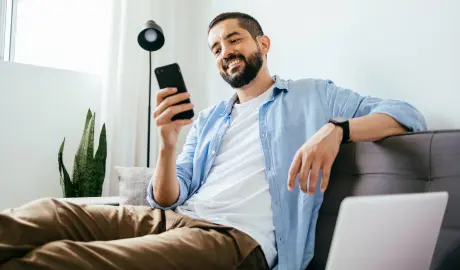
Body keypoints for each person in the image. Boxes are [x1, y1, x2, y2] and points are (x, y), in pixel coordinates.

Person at [0, 12, 426, 270]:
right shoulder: (209, 120)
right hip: (174, 219)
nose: (224, 51)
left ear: (263, 43)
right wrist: (167, 145)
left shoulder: (313, 95)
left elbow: (407, 115)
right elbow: (167, 198)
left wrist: (337, 130)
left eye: (234, 39)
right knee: (48, 213)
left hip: (234, 241)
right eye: (215, 47)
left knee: (63, 260)